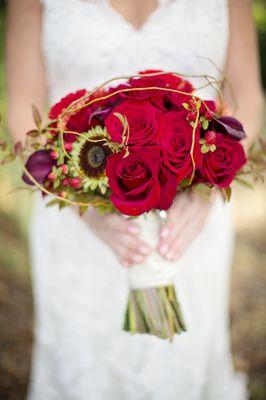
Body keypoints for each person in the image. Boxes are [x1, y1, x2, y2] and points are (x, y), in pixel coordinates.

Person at [6, 0, 264, 399]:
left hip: (188, 224)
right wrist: (83, 206)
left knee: (181, 364)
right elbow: (24, 109)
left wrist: (207, 189)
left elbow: (248, 98)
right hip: (79, 227)